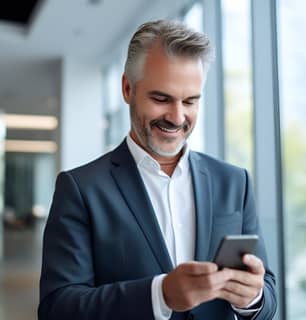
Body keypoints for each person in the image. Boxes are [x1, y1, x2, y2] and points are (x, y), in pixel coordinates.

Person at [38, 20, 277, 320]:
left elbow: (267, 294)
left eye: (190, 101)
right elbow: (57, 309)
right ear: (128, 88)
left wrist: (252, 296)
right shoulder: (80, 189)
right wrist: (160, 295)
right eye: (161, 99)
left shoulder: (234, 182)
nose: (177, 117)